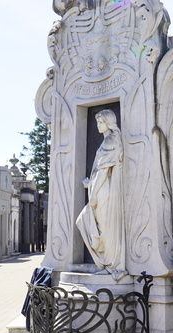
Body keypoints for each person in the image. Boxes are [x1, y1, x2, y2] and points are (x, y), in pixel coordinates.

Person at [75, 109, 125, 276]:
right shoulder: (110, 140)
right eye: (97, 122)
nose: (98, 125)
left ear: (109, 123)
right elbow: (100, 171)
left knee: (104, 228)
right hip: (102, 188)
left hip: (103, 191)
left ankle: (109, 264)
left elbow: (103, 172)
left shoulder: (111, 141)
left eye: (101, 122)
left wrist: (94, 193)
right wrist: (90, 184)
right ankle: (106, 263)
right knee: (100, 227)